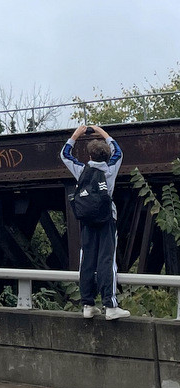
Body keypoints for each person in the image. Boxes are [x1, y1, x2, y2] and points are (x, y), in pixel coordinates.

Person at [61, 124, 129, 320]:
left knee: (87, 260)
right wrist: (101, 131)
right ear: (106, 156)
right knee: (107, 260)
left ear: (90, 156)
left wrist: (76, 135)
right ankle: (110, 306)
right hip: (107, 219)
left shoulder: (82, 170)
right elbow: (118, 150)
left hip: (87, 220)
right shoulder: (111, 168)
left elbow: (65, 155)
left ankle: (87, 304)